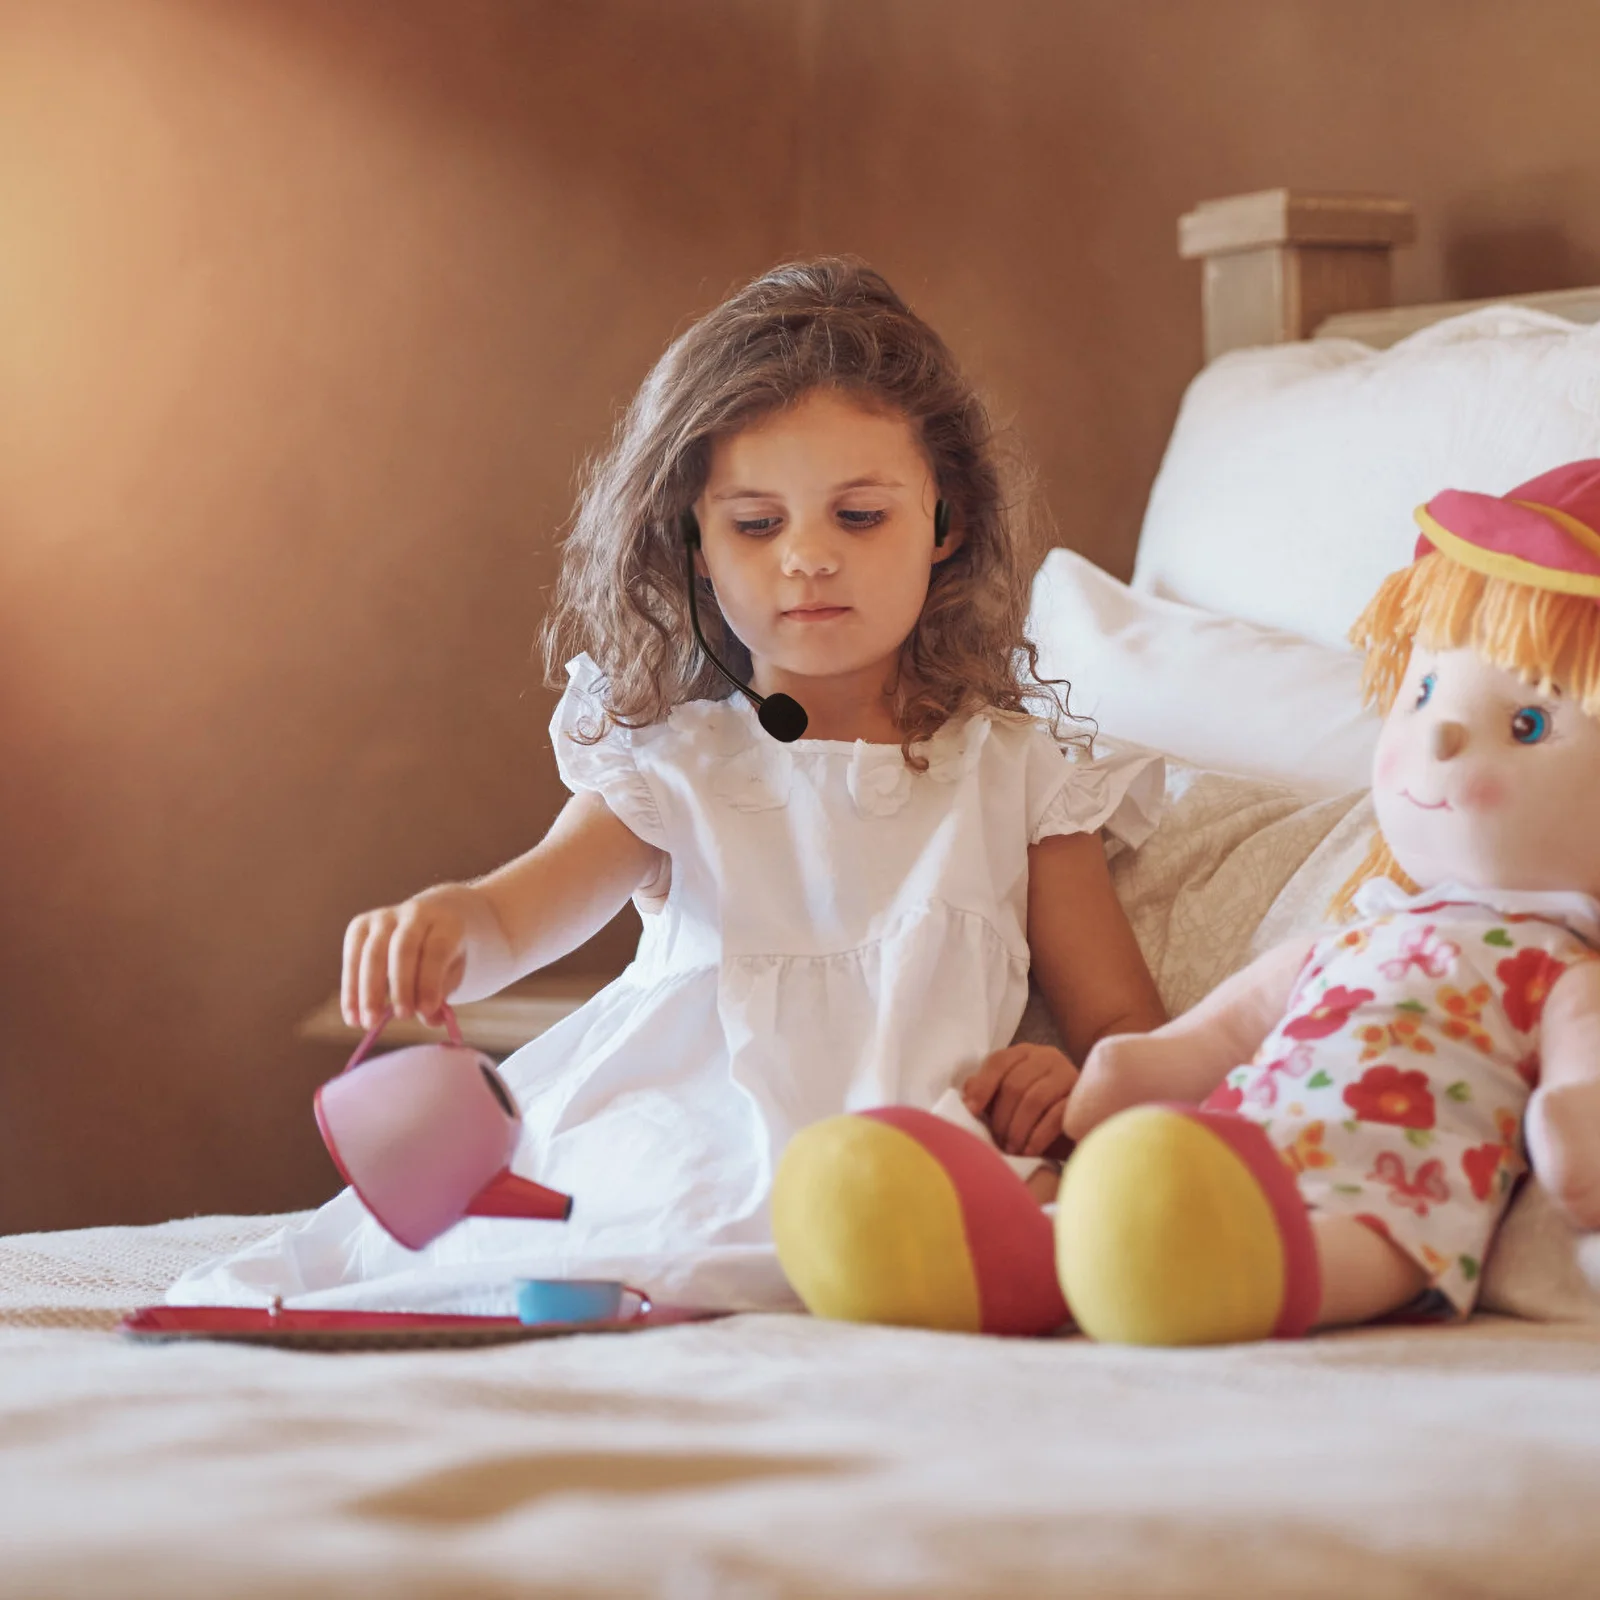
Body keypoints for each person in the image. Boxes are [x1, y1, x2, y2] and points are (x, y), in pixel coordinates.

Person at [168, 258, 1165, 1314]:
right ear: (693, 545)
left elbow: (1124, 1027)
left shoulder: (1021, 776)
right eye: (756, 523)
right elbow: (522, 909)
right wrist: (448, 925)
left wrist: (1076, 1083)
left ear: (944, 521)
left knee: (1040, 1248)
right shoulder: (672, 760)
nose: (808, 559)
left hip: (913, 1168)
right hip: (680, 1149)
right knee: (624, 1246)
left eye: (858, 517)